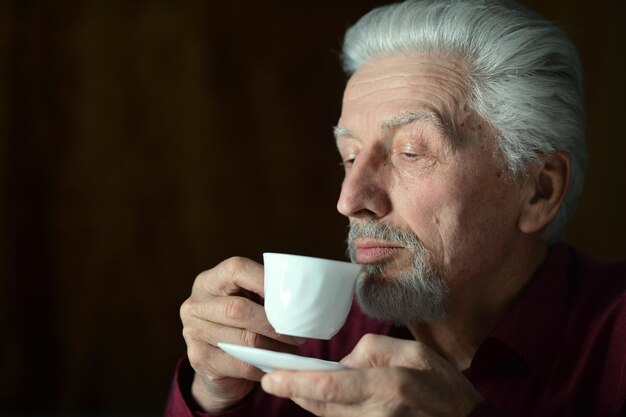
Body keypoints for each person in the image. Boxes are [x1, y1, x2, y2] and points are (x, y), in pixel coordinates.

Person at [165, 0, 626, 416]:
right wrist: (213, 394)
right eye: (349, 156)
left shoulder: (614, 340)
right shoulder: (312, 337)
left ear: (539, 191)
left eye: (410, 152)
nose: (350, 200)